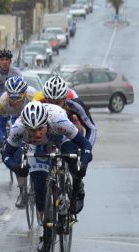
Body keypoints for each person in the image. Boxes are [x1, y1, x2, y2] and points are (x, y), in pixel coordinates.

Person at [1, 101, 92, 252]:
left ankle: (76, 187)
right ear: (26, 127)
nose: (37, 134)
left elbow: (86, 146)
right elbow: (6, 155)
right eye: (32, 130)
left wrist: (83, 163)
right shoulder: (18, 129)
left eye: (40, 129)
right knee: (39, 185)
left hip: (60, 137)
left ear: (46, 124)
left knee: (72, 159)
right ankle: (46, 233)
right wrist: (16, 168)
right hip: (35, 147)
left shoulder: (58, 121)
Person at [37, 75, 97, 214]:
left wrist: (85, 152)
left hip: (67, 132)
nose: (52, 105)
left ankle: (77, 187)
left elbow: (92, 128)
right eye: (49, 101)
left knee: (73, 159)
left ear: (65, 99)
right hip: (46, 134)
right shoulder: (38, 102)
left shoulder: (75, 105)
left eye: (57, 102)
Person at [0, 76, 37, 208]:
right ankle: (22, 191)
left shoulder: (33, 96)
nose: (15, 102)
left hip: (32, 119)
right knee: (17, 155)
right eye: (12, 98)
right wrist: (4, 140)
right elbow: (1, 126)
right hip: (15, 120)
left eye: (18, 98)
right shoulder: (3, 102)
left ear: (24, 94)